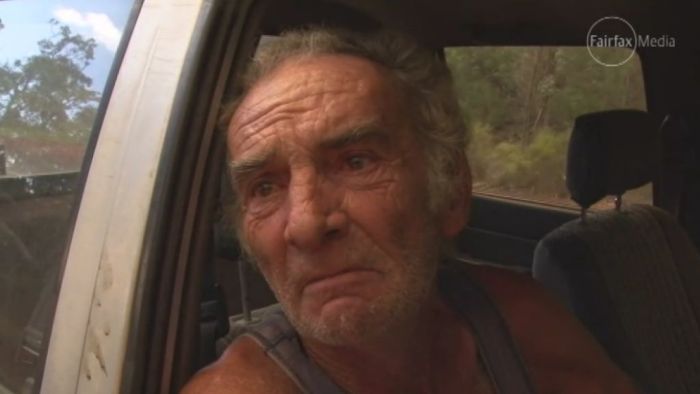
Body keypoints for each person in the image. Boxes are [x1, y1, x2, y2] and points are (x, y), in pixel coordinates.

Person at [182, 27, 638, 393]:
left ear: (452, 191)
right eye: (264, 187)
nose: (304, 224)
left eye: (356, 161)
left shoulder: (520, 318)